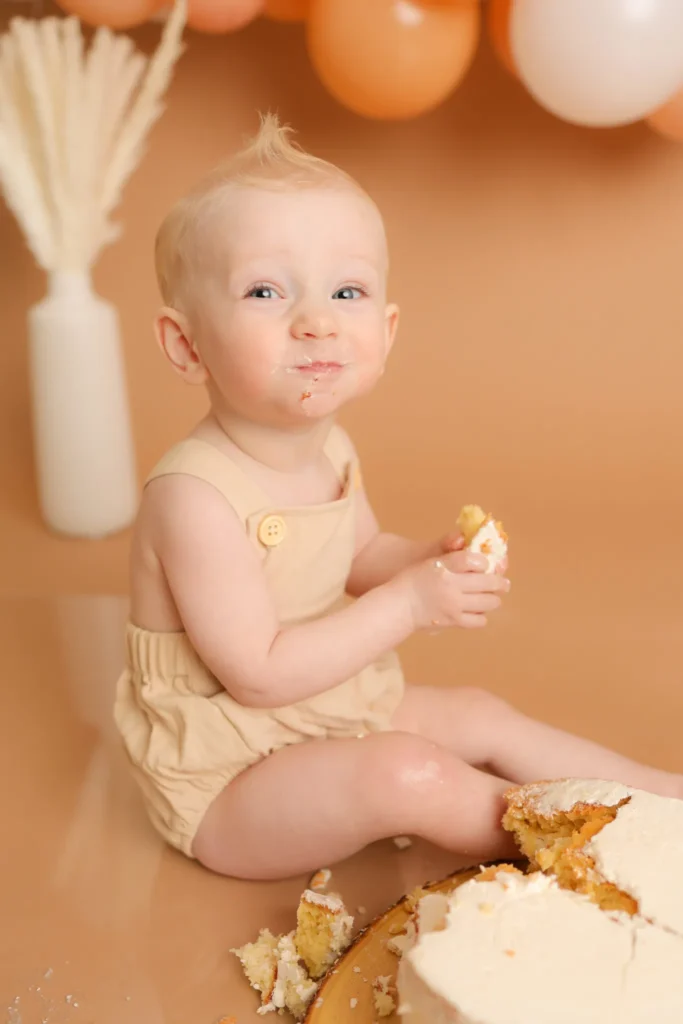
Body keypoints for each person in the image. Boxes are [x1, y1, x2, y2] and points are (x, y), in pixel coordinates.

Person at [114, 115, 682, 881]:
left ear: (383, 331)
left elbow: (357, 554)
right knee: (405, 776)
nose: (315, 321)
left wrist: (425, 563)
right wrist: (410, 606)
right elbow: (261, 673)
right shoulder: (194, 499)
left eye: (345, 291)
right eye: (264, 291)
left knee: (478, 712)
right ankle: (606, 843)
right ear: (187, 346)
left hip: (326, 714)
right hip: (228, 782)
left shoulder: (329, 450)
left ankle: (659, 799)